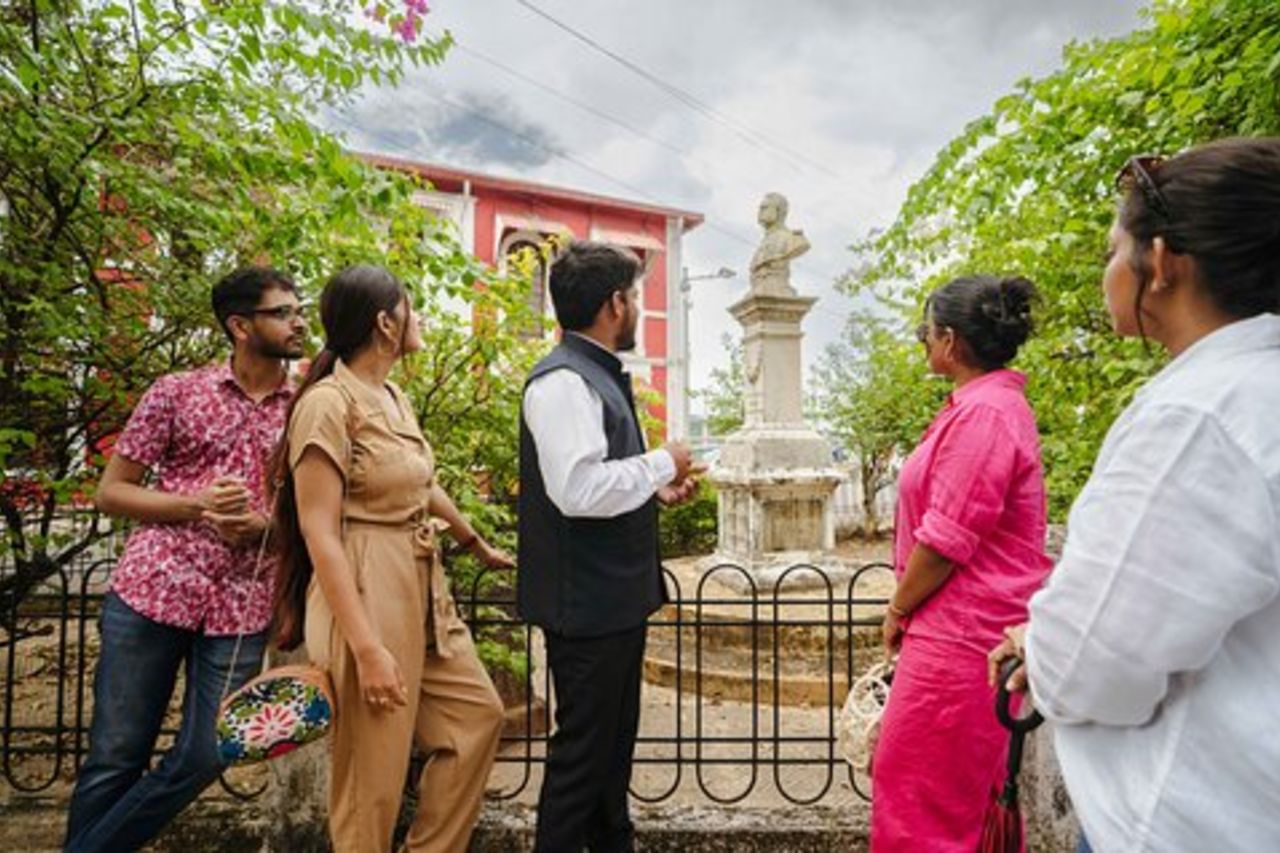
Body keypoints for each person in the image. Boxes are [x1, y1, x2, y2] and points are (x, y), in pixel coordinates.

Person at [989, 138, 1280, 852]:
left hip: (1188, 824)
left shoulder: (1199, 416)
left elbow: (1098, 661)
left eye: (1114, 250)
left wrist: (1041, 645)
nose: (1107, 271)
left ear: (1162, 264)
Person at [65, 267, 304, 852]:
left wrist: (266, 529)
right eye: (283, 312)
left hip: (242, 607)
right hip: (151, 591)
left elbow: (317, 513)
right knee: (115, 755)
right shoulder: (177, 392)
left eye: (299, 310)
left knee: (207, 751)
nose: (299, 322)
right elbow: (111, 492)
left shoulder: (306, 408)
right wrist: (196, 504)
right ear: (240, 326)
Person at [271, 264, 509, 853]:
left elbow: (418, 482)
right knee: (370, 780)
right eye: (411, 306)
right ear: (385, 323)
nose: (419, 318)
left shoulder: (393, 395)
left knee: (477, 719)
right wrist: (368, 650)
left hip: (419, 578)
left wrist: (470, 539)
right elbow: (319, 531)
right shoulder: (327, 403)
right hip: (362, 582)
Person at [518, 241, 698, 852]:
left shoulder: (591, 374)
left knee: (608, 760)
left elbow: (599, 479)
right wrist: (659, 464)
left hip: (610, 604)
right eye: (637, 298)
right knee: (581, 764)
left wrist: (653, 489)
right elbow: (576, 490)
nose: (641, 312)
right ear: (614, 303)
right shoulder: (564, 381)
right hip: (588, 608)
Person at [870, 275, 1053, 851]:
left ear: (948, 341)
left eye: (924, 333)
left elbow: (947, 538)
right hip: (961, 631)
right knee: (946, 798)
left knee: (923, 801)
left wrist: (898, 607)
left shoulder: (986, 416)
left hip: (962, 637)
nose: (922, 343)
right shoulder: (980, 408)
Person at [748, 192, 810, 296]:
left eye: (765, 208)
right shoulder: (763, 242)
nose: (760, 212)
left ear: (779, 211)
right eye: (760, 208)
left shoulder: (792, 238)